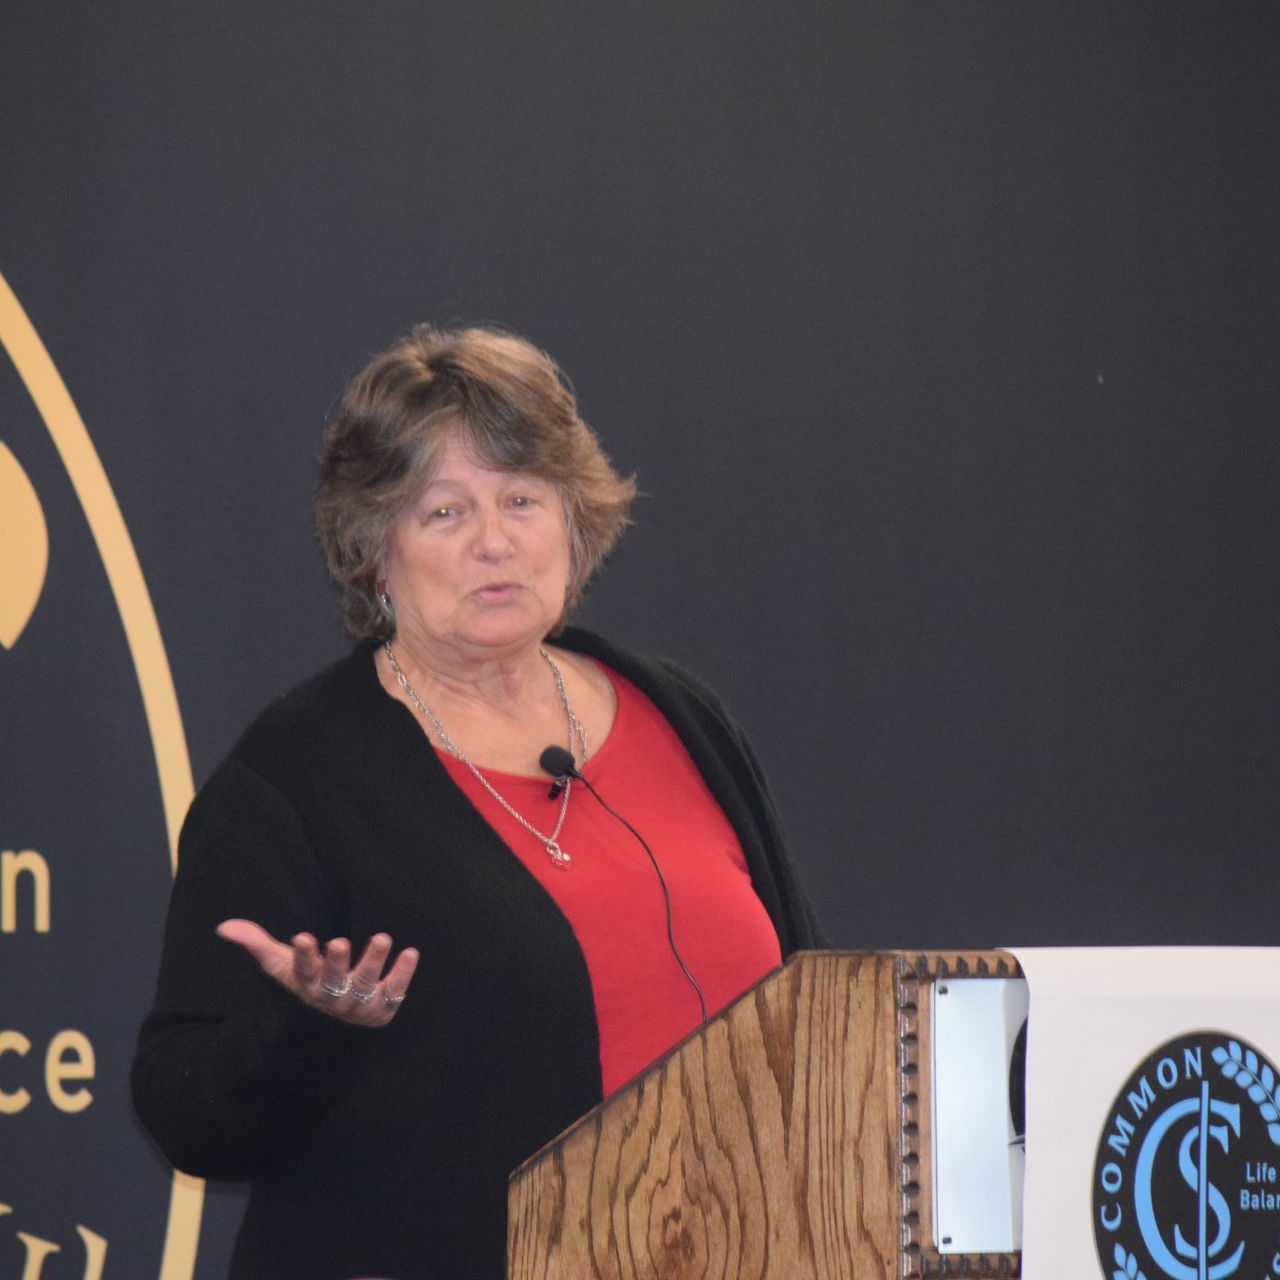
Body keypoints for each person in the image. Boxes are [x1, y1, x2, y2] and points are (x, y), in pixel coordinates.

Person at [131, 325, 823, 1279]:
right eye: (445, 511)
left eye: (523, 500)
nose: (495, 540)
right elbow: (183, 1108)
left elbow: (814, 1006)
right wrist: (306, 1033)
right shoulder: (293, 779)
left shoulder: (681, 718)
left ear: (574, 523)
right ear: (377, 550)